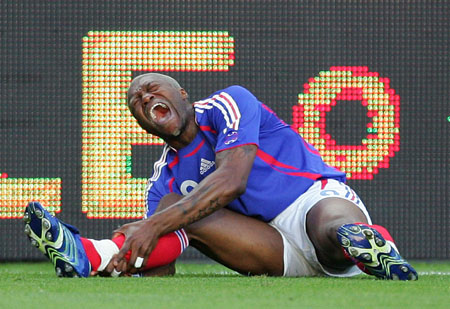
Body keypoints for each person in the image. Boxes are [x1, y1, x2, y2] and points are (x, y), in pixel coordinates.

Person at [24, 73, 418, 280]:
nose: (143, 98)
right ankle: (87, 255)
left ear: (183, 95)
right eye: (135, 102)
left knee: (330, 227)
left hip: (310, 200)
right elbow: (161, 250)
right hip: (273, 249)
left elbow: (232, 180)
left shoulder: (228, 104)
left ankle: (372, 248)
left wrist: (153, 225)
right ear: (144, 126)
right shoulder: (166, 179)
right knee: (180, 215)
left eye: (150, 89)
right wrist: (128, 261)